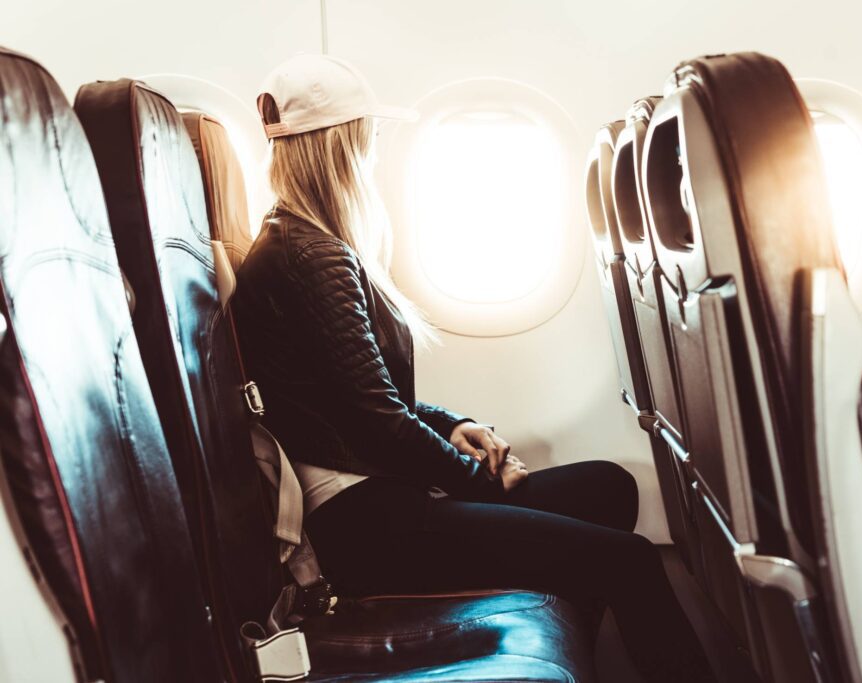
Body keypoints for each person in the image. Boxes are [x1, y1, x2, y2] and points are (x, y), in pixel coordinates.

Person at [231, 53, 716, 683]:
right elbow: (378, 424)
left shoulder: (305, 245)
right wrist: (481, 482)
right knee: (627, 561)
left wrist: (457, 424)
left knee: (609, 487)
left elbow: (366, 399)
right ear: (343, 147)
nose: (374, 155)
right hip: (367, 528)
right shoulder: (311, 257)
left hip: (382, 499)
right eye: (368, 139)